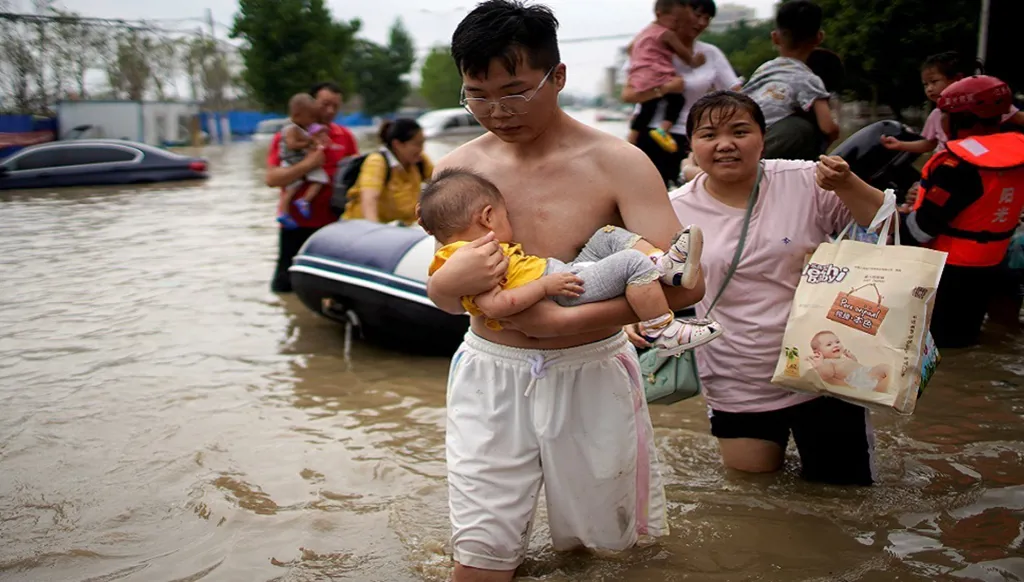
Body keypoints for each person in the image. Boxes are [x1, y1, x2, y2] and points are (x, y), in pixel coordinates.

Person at [426, 1, 706, 579]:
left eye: (515, 91)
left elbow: (680, 284)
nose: (497, 112)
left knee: (600, 553)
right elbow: (450, 291)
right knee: (479, 555)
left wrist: (564, 324)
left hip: (591, 370)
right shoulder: (457, 170)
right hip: (491, 373)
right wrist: (443, 289)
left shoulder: (616, 163)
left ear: (558, 76)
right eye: (476, 95)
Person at [639, 91, 885, 486]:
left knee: (844, 495)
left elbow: (881, 226)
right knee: (755, 496)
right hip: (735, 373)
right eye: (708, 135)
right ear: (692, 145)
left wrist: (849, 184)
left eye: (740, 131)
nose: (725, 145)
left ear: (762, 137)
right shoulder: (674, 210)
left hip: (823, 368)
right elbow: (646, 279)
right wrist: (639, 320)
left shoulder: (806, 180)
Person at [420, 167, 721, 354]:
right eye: (506, 215)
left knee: (607, 235)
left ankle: (662, 264)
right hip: (563, 291)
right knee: (630, 262)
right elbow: (495, 307)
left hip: (563, 273)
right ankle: (660, 329)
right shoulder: (475, 257)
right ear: (487, 217)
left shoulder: (465, 252)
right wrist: (545, 287)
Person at [899, 75, 1024, 348]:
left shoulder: (957, 165)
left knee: (936, 348)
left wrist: (894, 217)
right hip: (992, 262)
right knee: (967, 340)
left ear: (958, 119)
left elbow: (920, 230)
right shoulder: (1017, 154)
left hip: (950, 271)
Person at [621, 0, 740, 188]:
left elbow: (736, 94)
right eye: (697, 15)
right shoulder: (649, 48)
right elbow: (628, 95)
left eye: (707, 18)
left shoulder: (710, 53)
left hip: (694, 137)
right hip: (651, 135)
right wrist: (666, 89)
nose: (701, 23)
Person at [266, 82, 359, 293]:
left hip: (334, 226)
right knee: (285, 287)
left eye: (336, 106)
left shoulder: (345, 137)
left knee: (330, 289)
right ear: (309, 104)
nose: (330, 111)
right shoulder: (287, 137)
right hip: (295, 225)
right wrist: (308, 165)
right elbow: (272, 179)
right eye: (325, 104)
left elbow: (355, 177)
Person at [741, 0, 839, 160]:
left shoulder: (764, 69)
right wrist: (833, 136)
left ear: (775, 37)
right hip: (767, 145)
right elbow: (827, 127)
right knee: (804, 128)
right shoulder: (809, 79)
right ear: (819, 37)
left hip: (742, 136)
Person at [626, 0, 706, 152]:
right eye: (676, 21)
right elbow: (684, 55)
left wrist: (642, 59)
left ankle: (632, 136)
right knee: (677, 99)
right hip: (659, 74)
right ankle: (664, 129)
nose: (677, 26)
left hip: (640, 74)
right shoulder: (667, 34)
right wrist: (696, 61)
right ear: (659, 15)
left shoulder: (644, 32)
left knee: (647, 106)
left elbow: (630, 48)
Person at [342, 118, 432, 225]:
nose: (421, 149)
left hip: (401, 227)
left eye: (422, 143)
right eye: (417, 144)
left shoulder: (419, 161)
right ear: (397, 144)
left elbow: (440, 182)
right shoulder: (377, 162)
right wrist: (374, 230)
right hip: (363, 228)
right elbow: (369, 201)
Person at [276, 93, 331, 228]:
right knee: (319, 180)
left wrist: (315, 138)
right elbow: (292, 145)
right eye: (310, 117)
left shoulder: (299, 127)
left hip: (296, 160)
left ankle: (293, 207)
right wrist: (307, 144)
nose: (312, 120)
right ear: (297, 116)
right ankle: (295, 206)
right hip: (291, 161)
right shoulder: (290, 128)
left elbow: (308, 136)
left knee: (293, 188)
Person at [807, 331, 891, 393]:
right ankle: (879, 390)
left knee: (884, 367)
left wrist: (851, 357)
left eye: (837, 342)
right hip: (858, 379)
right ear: (818, 352)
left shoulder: (842, 358)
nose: (835, 345)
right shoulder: (827, 362)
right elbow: (826, 375)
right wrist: (820, 364)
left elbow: (854, 364)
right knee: (885, 374)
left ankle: (886, 386)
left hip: (865, 371)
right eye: (829, 344)